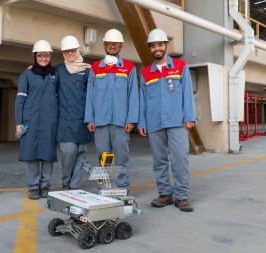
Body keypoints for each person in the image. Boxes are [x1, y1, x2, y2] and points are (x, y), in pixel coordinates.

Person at [138, 28, 196, 212]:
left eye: (160, 44)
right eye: (153, 45)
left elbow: (188, 93)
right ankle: (165, 194)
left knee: (180, 158)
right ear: (150, 48)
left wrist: (189, 116)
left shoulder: (180, 66)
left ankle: (181, 196)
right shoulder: (146, 73)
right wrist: (142, 122)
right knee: (159, 160)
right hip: (154, 122)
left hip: (177, 121)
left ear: (165, 45)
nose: (157, 48)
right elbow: (142, 100)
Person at [84, 28, 139, 190]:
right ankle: (104, 187)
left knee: (122, 156)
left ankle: (122, 186)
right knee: (103, 156)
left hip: (121, 122)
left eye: (116, 44)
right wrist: (90, 118)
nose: (112, 46)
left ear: (121, 46)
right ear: (104, 45)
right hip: (100, 121)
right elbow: (90, 95)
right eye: (109, 43)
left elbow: (133, 96)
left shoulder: (129, 68)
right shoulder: (95, 68)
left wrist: (131, 119)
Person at [15, 40, 58, 200]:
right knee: (31, 154)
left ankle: (45, 186)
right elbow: (19, 100)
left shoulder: (55, 74)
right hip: (30, 120)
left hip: (49, 120)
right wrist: (18, 123)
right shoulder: (27, 75)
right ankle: (33, 187)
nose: (43, 58)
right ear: (35, 56)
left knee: (48, 154)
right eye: (40, 55)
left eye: (46, 55)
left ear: (50, 56)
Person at [56, 35, 91, 190]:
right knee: (68, 152)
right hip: (65, 120)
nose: (70, 54)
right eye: (67, 51)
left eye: (72, 50)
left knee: (81, 154)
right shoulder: (59, 70)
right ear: (63, 53)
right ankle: (66, 182)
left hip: (83, 120)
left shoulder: (88, 70)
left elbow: (93, 95)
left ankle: (75, 185)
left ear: (78, 50)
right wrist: (34, 71)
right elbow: (47, 83)